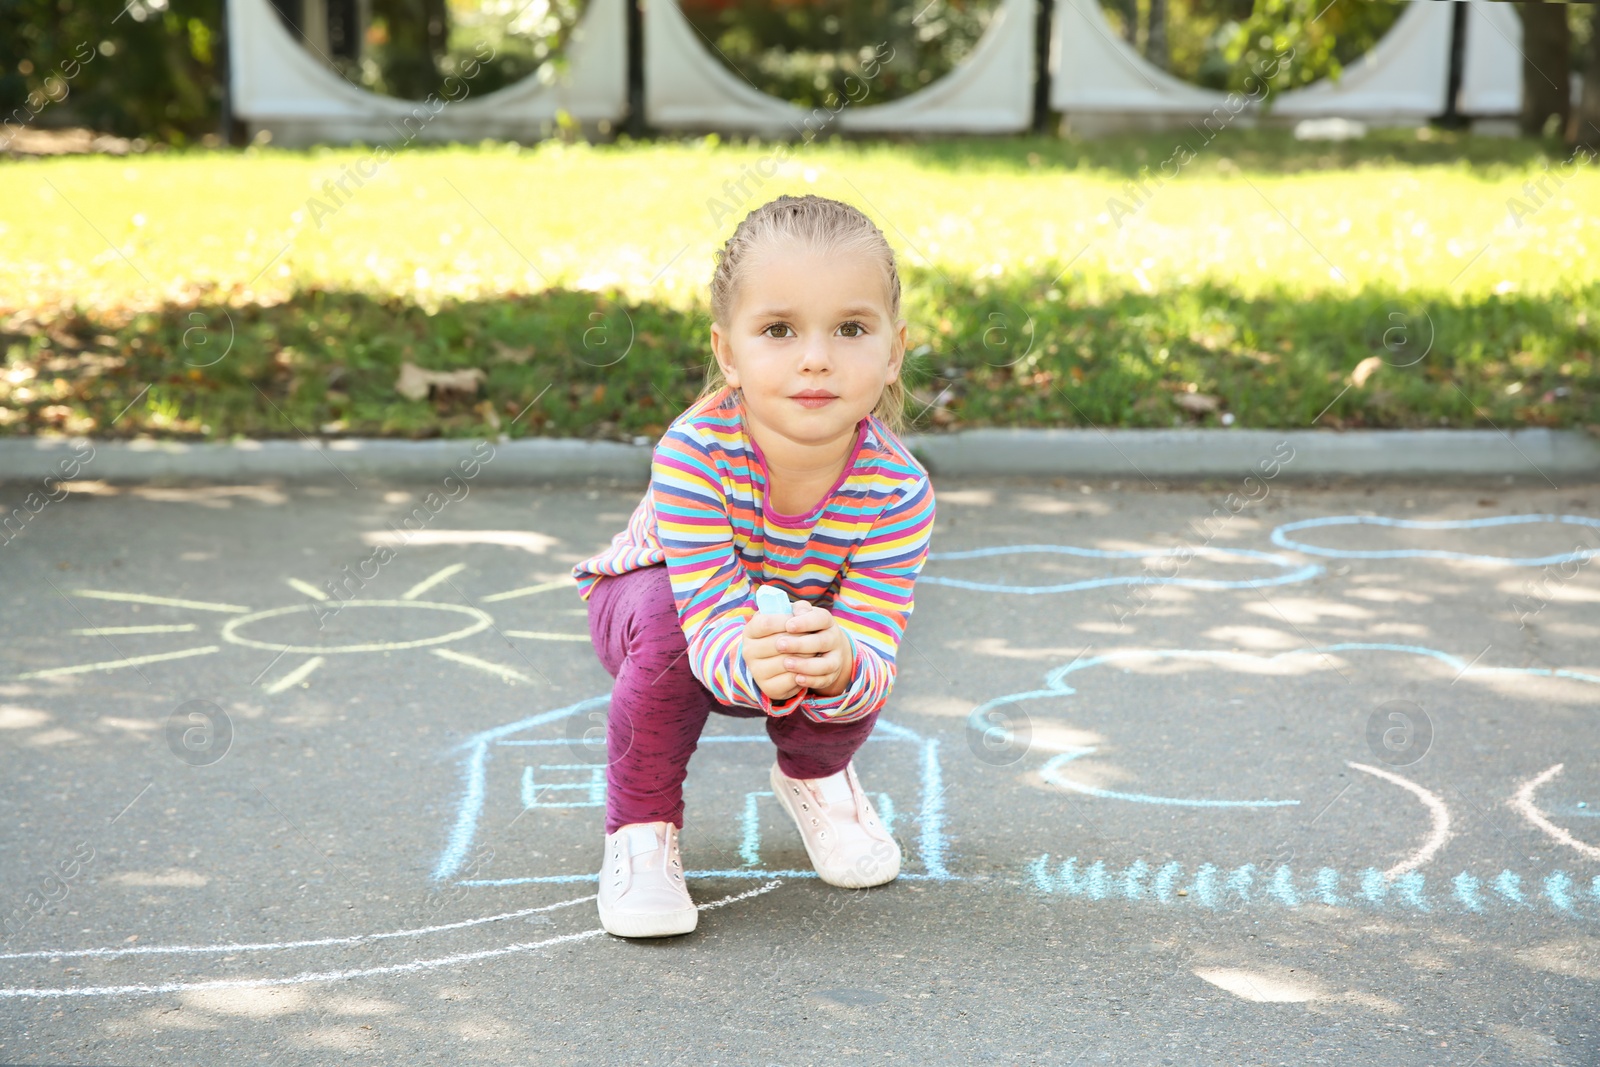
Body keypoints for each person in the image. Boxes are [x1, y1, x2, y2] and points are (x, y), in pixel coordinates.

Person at [571, 193, 937, 939]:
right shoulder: (694, 453)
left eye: (851, 328)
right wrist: (754, 660)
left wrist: (837, 668)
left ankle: (816, 777)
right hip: (664, 614)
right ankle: (640, 830)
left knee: (846, 645)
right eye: (778, 329)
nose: (815, 357)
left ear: (894, 349)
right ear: (728, 352)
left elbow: (876, 642)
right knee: (669, 626)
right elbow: (706, 624)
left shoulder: (900, 491)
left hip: (789, 623)